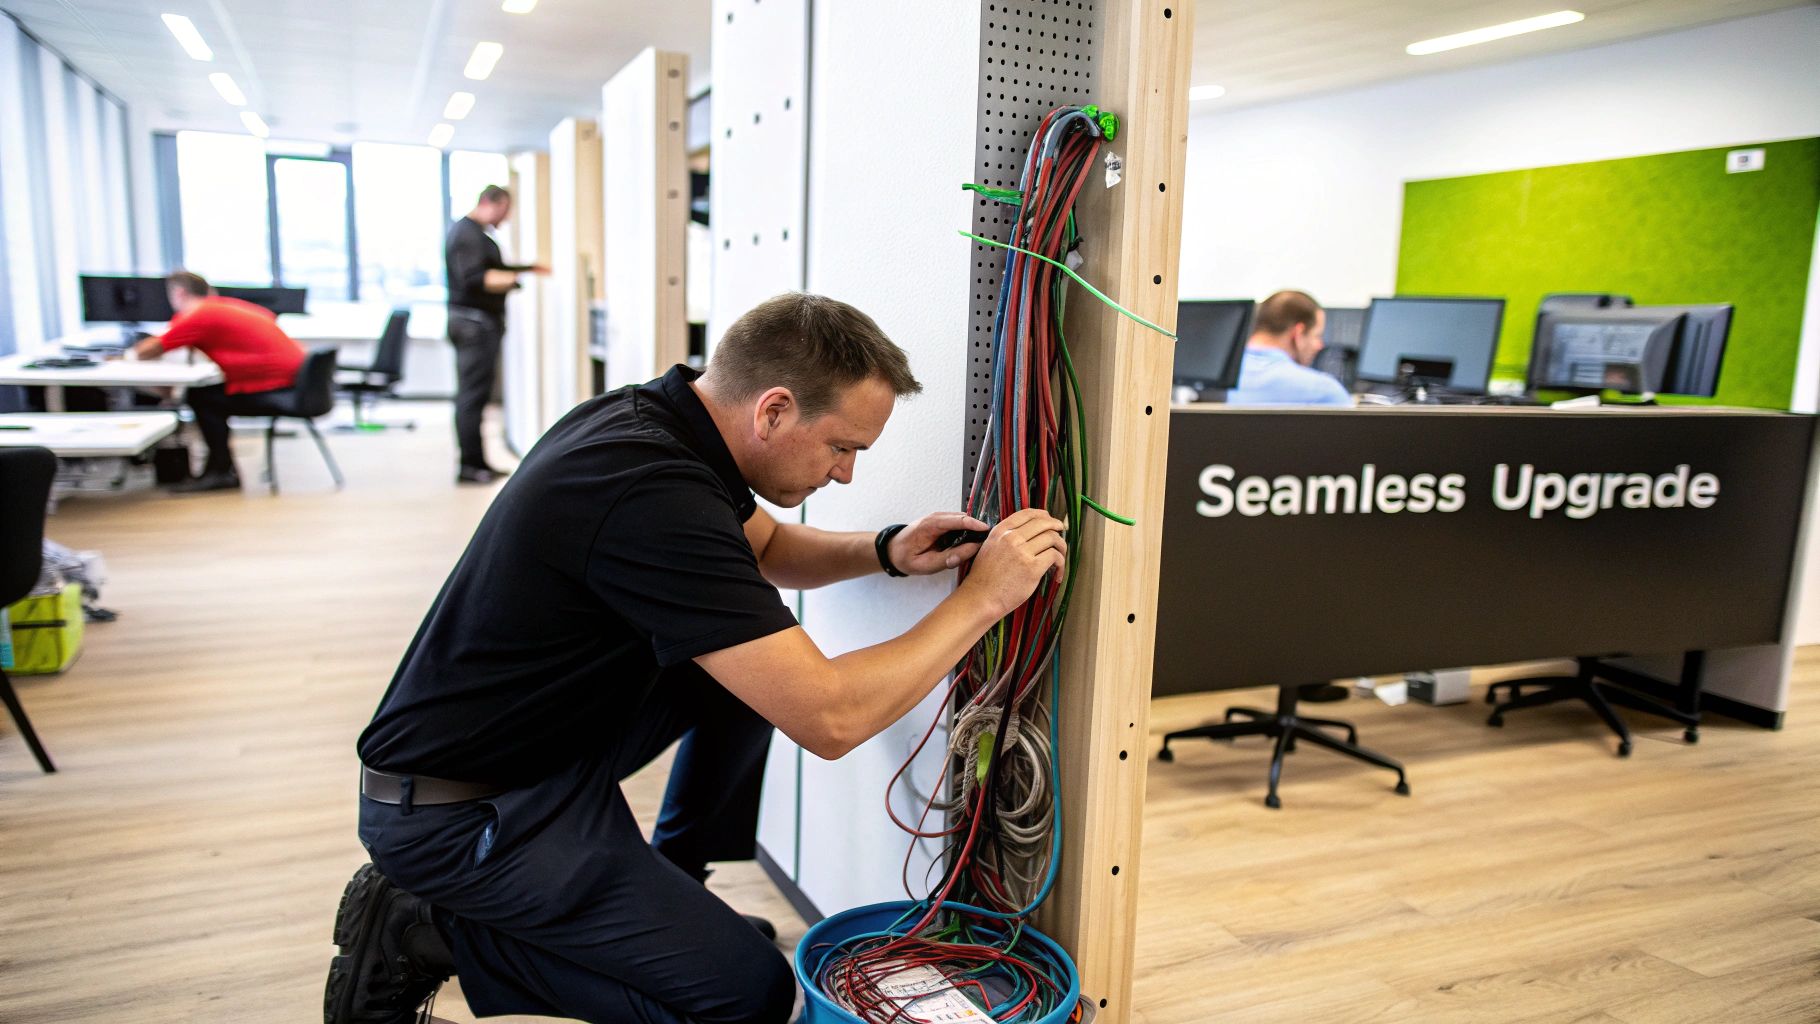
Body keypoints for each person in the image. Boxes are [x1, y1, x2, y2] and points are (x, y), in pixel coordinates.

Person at [325, 293, 1067, 1024]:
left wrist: (887, 553)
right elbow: (831, 717)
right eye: (842, 447)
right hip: (465, 815)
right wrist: (981, 601)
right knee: (747, 1000)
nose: (845, 475)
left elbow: (769, 548)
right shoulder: (648, 490)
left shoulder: (662, 422)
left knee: (742, 676)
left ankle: (673, 884)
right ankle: (425, 927)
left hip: (534, 759)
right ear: (773, 410)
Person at [128, 271, 306, 493]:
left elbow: (148, 351)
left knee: (202, 397)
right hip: (297, 382)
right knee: (206, 394)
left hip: (278, 386)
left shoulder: (201, 313)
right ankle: (221, 468)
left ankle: (220, 471)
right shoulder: (223, 306)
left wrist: (124, 355)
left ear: (179, 292)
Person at [445, 184, 544, 485]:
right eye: (504, 210)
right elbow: (475, 278)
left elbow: (494, 266)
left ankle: (477, 462)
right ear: (490, 203)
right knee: (472, 397)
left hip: (475, 323)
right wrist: (512, 281)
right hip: (473, 325)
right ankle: (470, 467)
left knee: (477, 396)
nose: (506, 217)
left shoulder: (474, 234)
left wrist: (528, 269)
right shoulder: (468, 235)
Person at [1223, 289, 1351, 406]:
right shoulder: (1324, 392)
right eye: (1316, 336)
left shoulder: (1214, 381)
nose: (1320, 345)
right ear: (1298, 333)